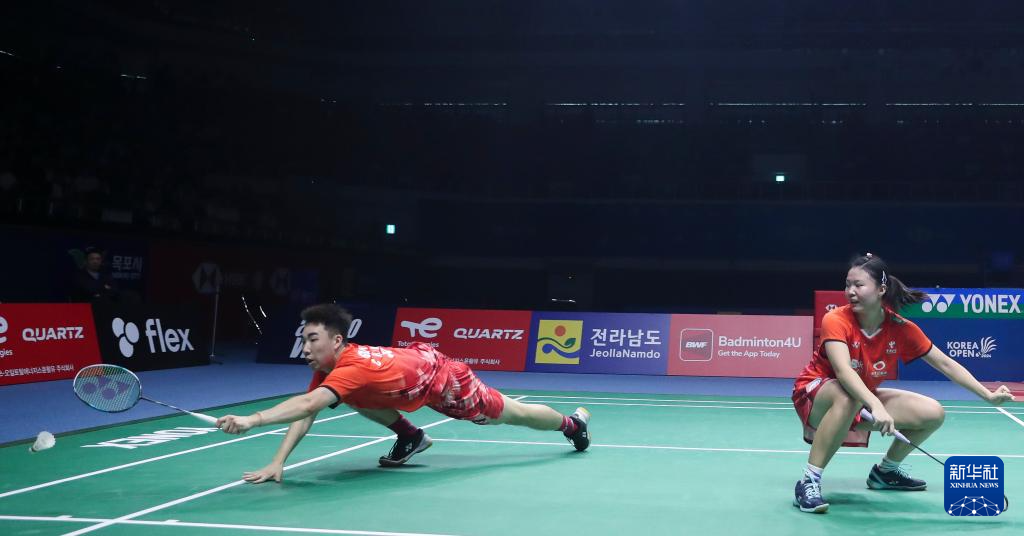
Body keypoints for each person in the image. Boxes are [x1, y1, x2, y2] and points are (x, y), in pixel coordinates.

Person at [217, 303, 591, 483]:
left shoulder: (352, 368)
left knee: (511, 414)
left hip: (445, 381)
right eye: (303, 340)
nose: (306, 348)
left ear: (337, 340)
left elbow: (308, 404)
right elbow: (307, 411)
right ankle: (411, 436)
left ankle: (572, 425)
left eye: (313, 339)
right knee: (350, 395)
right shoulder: (333, 370)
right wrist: (278, 462)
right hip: (412, 372)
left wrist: (253, 419)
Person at [791, 253, 1015, 513]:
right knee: (847, 395)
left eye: (859, 285)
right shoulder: (836, 319)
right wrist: (876, 405)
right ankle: (809, 481)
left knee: (932, 412)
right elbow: (844, 373)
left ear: (881, 289)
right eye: (847, 284)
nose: (850, 291)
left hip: (860, 398)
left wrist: (988, 395)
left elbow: (945, 364)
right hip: (816, 393)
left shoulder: (899, 327)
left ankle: (885, 472)